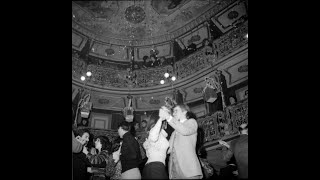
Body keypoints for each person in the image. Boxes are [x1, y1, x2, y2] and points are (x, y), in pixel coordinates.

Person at [160, 105, 203, 179]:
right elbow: (168, 150)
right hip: (174, 172)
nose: (173, 114)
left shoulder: (192, 122)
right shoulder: (174, 132)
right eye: (173, 112)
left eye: (176, 111)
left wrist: (168, 117)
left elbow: (184, 131)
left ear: (185, 112)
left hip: (189, 169)